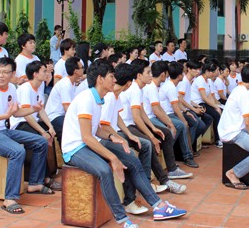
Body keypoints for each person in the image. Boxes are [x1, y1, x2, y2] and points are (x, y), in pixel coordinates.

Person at [61, 60, 187, 228]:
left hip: (87, 144)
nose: (114, 80)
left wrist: (115, 138)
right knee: (105, 170)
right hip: (74, 148)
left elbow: (96, 129)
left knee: (132, 160)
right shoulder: (86, 99)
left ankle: (158, 206)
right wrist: (113, 157)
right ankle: (123, 220)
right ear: (100, 79)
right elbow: (86, 137)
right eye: (111, 76)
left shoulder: (99, 98)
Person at [0, 57, 54, 214]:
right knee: (17, 151)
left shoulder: (11, 89)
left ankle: (35, 183)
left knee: (40, 141)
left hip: (2, 130)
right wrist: (4, 116)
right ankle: (9, 198)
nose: (1, 75)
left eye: (5, 72)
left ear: (12, 74)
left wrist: (34, 109)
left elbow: (16, 112)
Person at [218, 64, 249, 189]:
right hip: (232, 133)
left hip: (234, 128)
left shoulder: (239, 89)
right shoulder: (243, 94)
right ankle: (233, 173)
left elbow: (246, 119)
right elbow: (247, 122)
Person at [12, 61, 60, 190]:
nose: (47, 73)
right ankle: (42, 179)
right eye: (44, 71)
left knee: (50, 134)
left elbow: (40, 110)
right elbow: (26, 116)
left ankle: (50, 173)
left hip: (32, 122)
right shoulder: (25, 89)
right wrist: (42, 132)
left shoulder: (39, 88)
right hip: (20, 124)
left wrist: (50, 127)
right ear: (35, 74)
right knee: (40, 139)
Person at [159, 61, 199, 167]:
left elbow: (177, 104)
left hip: (171, 112)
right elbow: (175, 108)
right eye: (183, 73)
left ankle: (184, 153)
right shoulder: (170, 87)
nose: (184, 75)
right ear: (179, 75)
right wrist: (184, 120)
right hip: (167, 114)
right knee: (182, 125)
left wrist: (186, 112)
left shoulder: (172, 85)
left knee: (191, 121)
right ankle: (186, 156)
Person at [45, 57, 84, 143]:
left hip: (62, 115)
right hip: (54, 116)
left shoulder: (72, 83)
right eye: (82, 68)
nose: (83, 69)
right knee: (73, 128)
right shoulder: (66, 84)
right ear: (75, 71)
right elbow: (68, 108)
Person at [190, 60, 222, 148]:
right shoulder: (200, 80)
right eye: (213, 71)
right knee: (215, 115)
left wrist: (216, 106)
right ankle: (217, 140)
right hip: (197, 103)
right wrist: (215, 107)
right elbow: (204, 97)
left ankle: (200, 139)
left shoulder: (207, 81)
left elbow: (209, 96)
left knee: (216, 113)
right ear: (207, 71)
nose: (214, 73)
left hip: (203, 103)